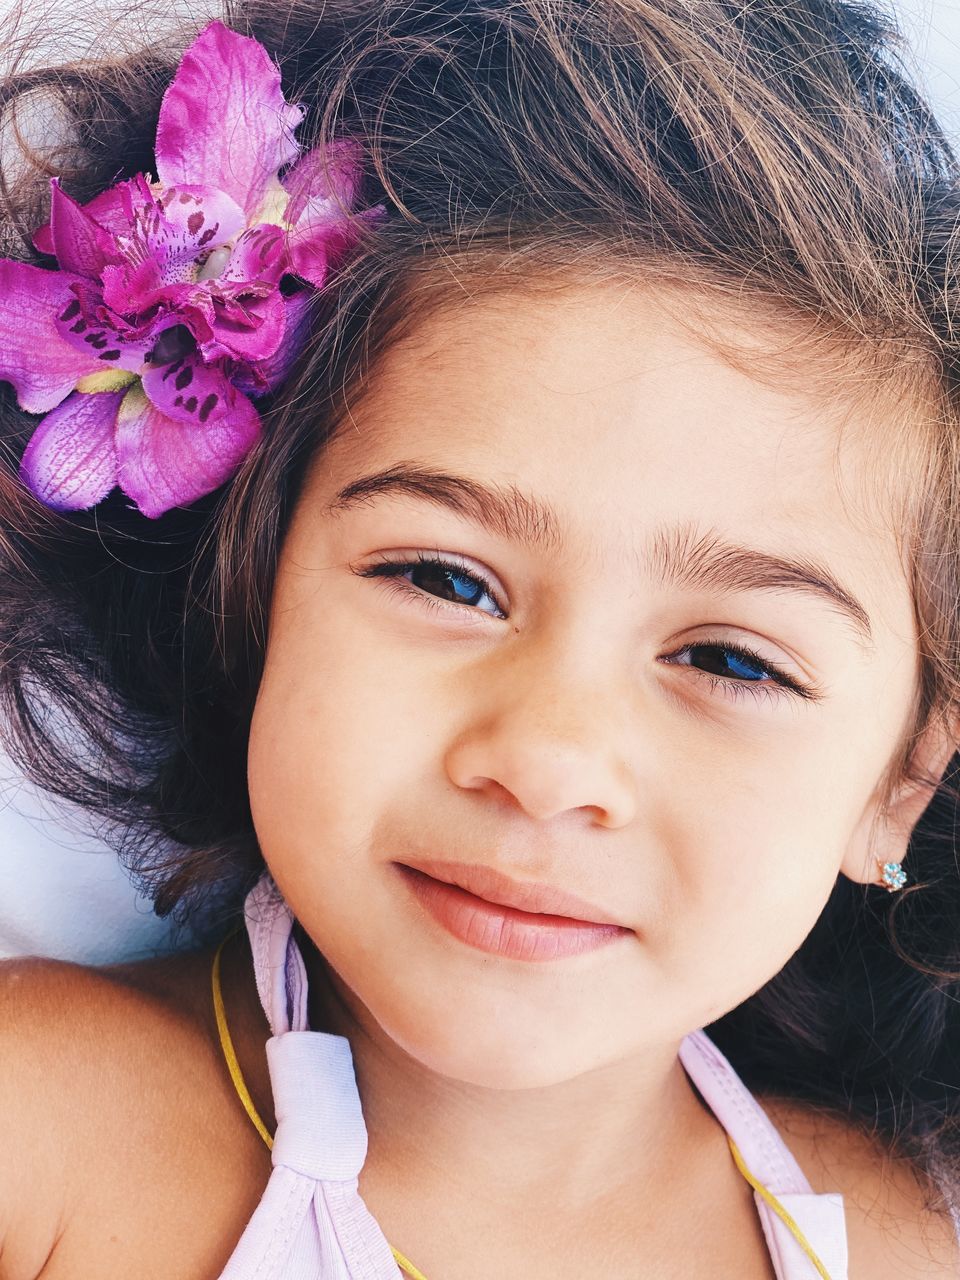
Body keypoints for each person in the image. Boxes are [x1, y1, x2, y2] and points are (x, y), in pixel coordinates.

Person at [0, 0, 958, 1275]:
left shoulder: (903, 1240)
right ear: (257, 585)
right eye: (448, 580)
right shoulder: (44, 1133)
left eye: (731, 659)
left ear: (900, 783)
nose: (549, 759)